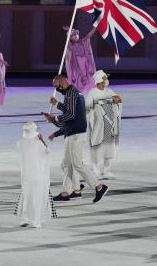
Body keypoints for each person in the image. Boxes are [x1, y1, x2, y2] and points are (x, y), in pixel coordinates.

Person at [44, 75, 108, 203]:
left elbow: (71, 114)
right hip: (71, 132)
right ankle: (66, 192)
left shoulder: (72, 93)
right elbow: (69, 109)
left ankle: (99, 186)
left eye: (56, 86)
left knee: (77, 163)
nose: (56, 90)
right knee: (67, 164)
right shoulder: (70, 93)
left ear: (62, 82)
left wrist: (55, 118)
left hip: (76, 133)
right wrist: (57, 104)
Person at [15, 121, 56, 228]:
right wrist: (42, 140)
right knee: (37, 197)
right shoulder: (39, 144)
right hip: (38, 174)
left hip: (26, 174)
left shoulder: (19, 143)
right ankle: (36, 221)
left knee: (26, 196)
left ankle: (25, 218)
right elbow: (48, 153)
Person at [86, 70, 122, 179]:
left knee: (110, 148)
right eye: (105, 78)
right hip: (98, 126)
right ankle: (95, 171)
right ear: (100, 80)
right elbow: (87, 108)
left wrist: (117, 100)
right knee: (97, 148)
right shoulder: (92, 93)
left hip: (110, 125)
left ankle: (106, 171)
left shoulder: (110, 91)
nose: (107, 80)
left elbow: (119, 100)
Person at [64, 25, 97, 95]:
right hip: (76, 65)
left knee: (87, 78)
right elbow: (68, 41)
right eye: (73, 35)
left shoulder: (83, 42)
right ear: (70, 38)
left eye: (76, 34)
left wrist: (95, 27)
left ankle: (86, 91)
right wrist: (69, 30)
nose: (75, 35)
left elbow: (89, 35)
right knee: (78, 81)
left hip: (85, 63)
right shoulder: (70, 46)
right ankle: (77, 95)